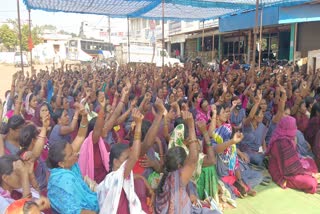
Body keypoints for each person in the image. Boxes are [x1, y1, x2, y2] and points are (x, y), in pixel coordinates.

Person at [155, 111, 217, 214]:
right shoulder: (178, 177)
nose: (194, 141)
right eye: (191, 140)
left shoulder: (173, 148)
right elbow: (194, 160)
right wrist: (194, 127)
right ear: (180, 166)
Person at [46, 105, 99, 213]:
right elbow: (77, 211)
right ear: (61, 163)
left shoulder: (68, 162)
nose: (76, 155)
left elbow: (80, 137)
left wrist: (84, 116)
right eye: (71, 154)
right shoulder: (62, 182)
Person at [97, 108, 146, 214]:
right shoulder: (115, 177)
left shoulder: (115, 177)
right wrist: (138, 125)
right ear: (116, 162)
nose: (129, 161)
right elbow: (134, 157)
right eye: (126, 158)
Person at [266, 116, 319, 194]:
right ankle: (287, 182)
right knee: (311, 182)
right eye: (294, 126)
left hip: (292, 168)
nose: (296, 128)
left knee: (310, 162)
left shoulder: (287, 139)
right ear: (288, 127)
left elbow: (293, 159)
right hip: (282, 174)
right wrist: (309, 174)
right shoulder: (281, 143)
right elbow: (289, 169)